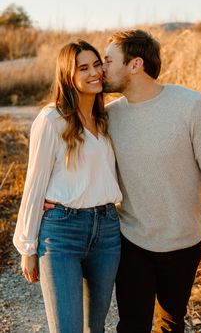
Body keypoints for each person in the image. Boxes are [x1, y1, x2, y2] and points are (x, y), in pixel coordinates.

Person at [102, 29, 201, 333]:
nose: (102, 67)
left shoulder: (192, 106)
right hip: (132, 239)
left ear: (135, 65)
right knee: (132, 324)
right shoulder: (109, 116)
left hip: (184, 242)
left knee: (171, 323)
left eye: (109, 60)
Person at [13, 40, 122, 333]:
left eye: (97, 64)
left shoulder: (107, 118)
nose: (94, 73)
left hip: (108, 231)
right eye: (83, 68)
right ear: (68, 76)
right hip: (62, 233)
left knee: (94, 327)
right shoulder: (51, 119)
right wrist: (27, 246)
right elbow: (34, 182)